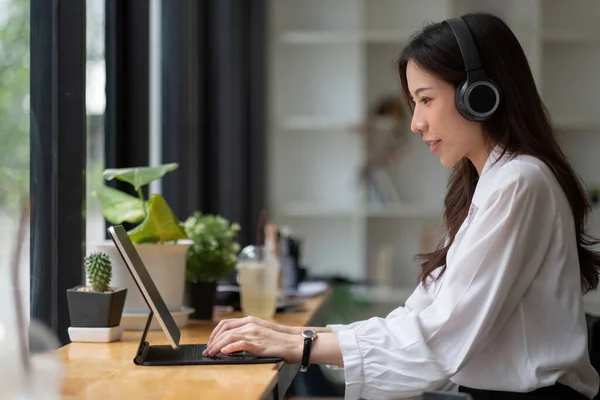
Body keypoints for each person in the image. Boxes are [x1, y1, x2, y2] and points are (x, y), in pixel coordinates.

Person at [203, 12, 600, 400]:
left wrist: (302, 347)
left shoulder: (519, 182)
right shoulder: (490, 184)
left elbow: (441, 337)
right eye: (414, 103)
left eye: (425, 100)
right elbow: (419, 317)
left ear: (479, 96)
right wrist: (292, 336)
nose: (416, 123)